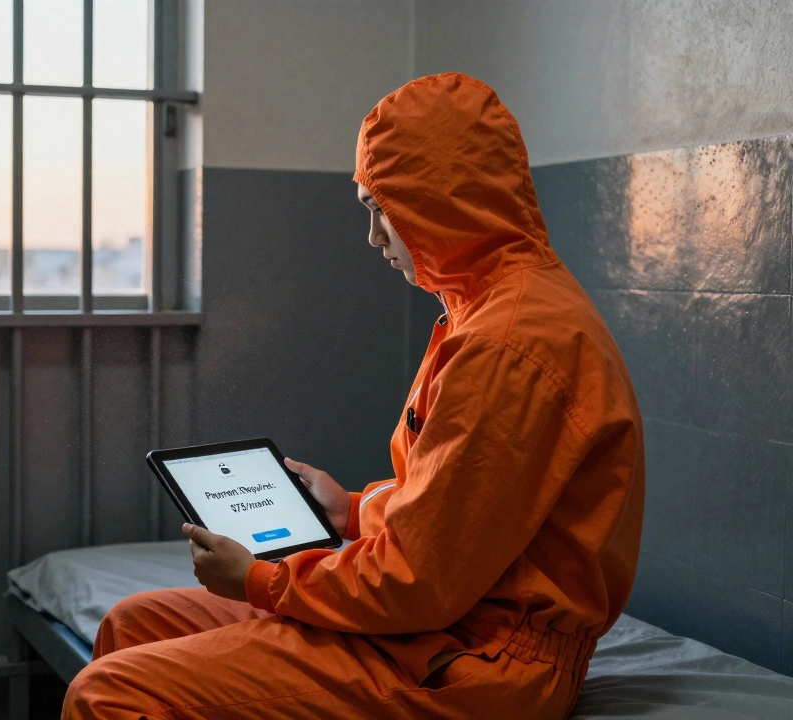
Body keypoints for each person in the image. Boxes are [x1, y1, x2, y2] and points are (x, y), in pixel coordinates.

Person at [62, 73, 644, 719]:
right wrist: (353, 511)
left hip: (478, 662)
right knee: (134, 625)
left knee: (105, 693)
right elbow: (460, 514)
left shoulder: (507, 345)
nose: (373, 237)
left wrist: (261, 579)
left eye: (379, 208)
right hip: (447, 623)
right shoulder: (486, 310)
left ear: (438, 200)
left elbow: (421, 581)